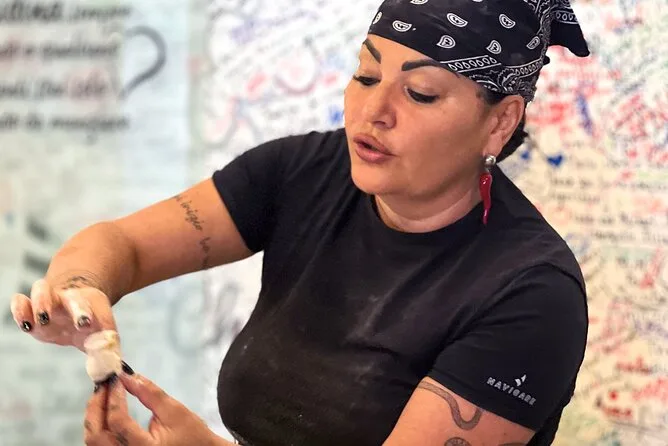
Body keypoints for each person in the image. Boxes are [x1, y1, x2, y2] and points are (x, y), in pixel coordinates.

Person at [9, 1, 591, 445]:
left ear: (499, 122)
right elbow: (125, 245)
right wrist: (80, 290)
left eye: (419, 93)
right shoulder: (304, 171)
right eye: (366, 76)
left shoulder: (531, 294)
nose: (373, 112)